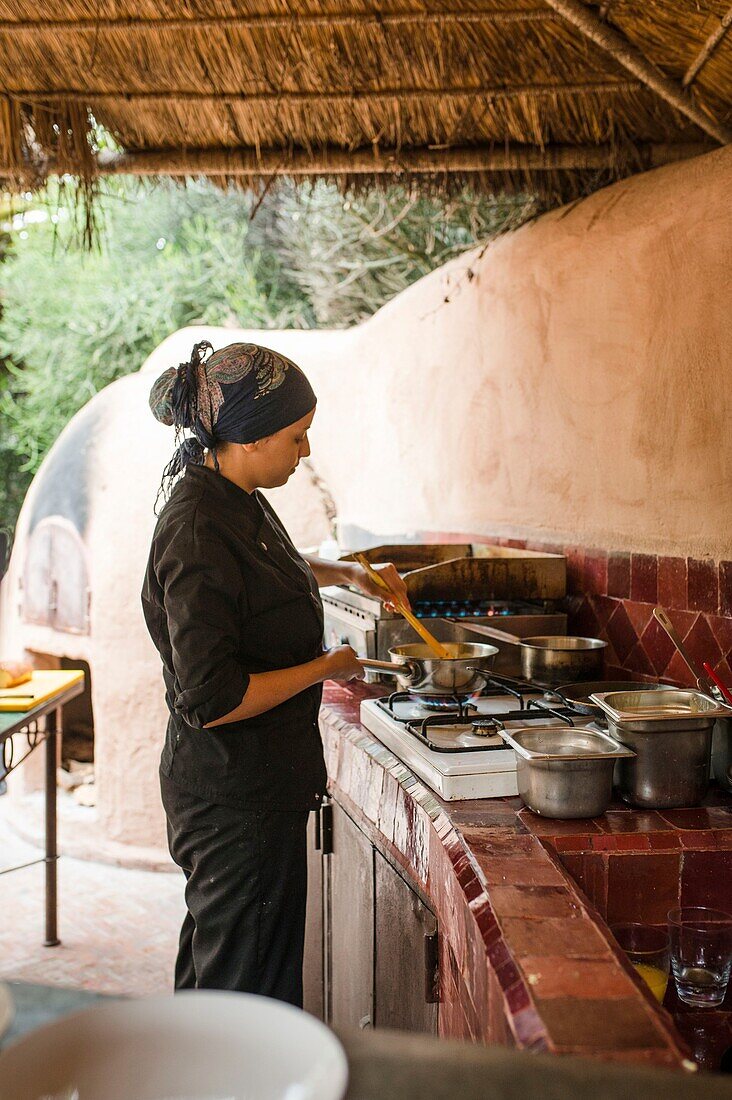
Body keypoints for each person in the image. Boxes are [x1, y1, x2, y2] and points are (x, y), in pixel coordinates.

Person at [141, 340, 408, 1006]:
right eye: (297, 436)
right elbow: (214, 698)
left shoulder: (234, 494)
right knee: (247, 997)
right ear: (252, 439)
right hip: (236, 802)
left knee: (221, 973)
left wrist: (344, 570)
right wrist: (328, 667)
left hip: (254, 788)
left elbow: (257, 577)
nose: (306, 451)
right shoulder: (197, 526)